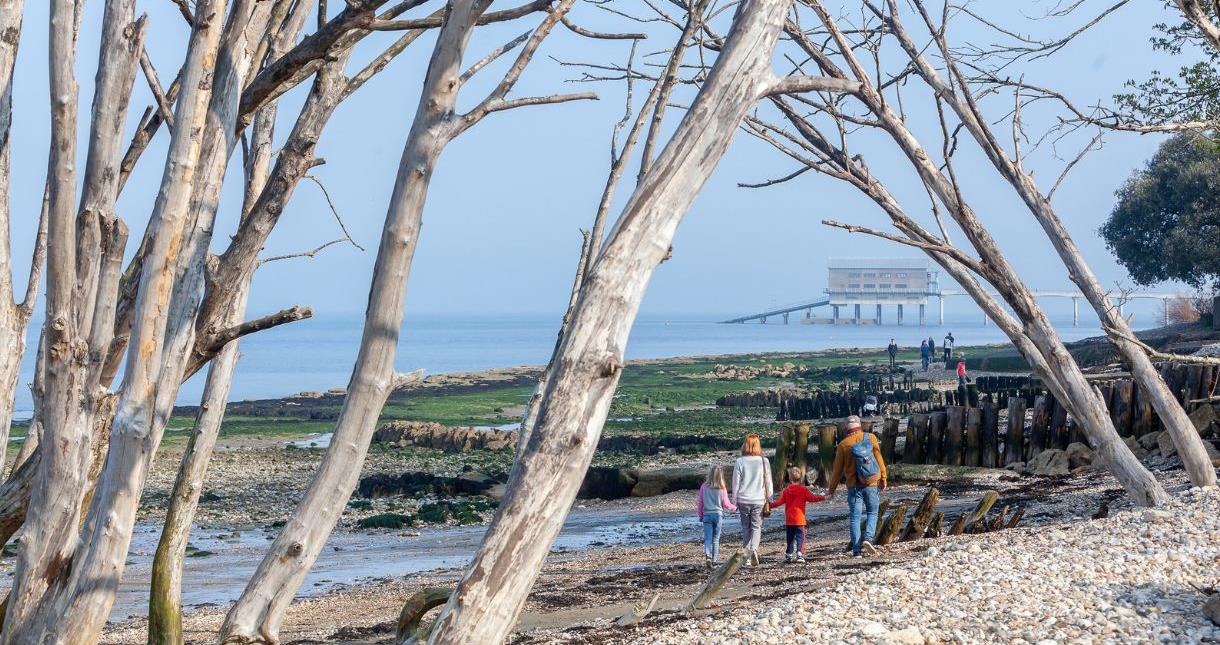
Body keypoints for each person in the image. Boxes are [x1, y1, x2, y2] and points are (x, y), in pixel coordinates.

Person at [827, 415, 887, 558]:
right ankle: (868, 538)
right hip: (870, 483)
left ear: (847, 428)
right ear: (860, 425)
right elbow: (879, 459)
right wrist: (883, 477)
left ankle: (856, 551)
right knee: (873, 512)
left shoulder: (843, 444)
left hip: (853, 486)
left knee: (855, 517)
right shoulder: (870, 438)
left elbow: (837, 470)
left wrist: (832, 489)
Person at [732, 434, 773, 566]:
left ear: (745, 444)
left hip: (743, 499)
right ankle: (754, 550)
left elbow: (735, 484)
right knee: (756, 527)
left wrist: (734, 501)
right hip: (759, 499)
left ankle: (747, 557)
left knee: (745, 527)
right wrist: (770, 498)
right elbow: (768, 482)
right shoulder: (764, 461)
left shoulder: (740, 461)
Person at [769, 467, 826, 563]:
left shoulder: (786, 490)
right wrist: (824, 497)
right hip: (800, 519)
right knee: (800, 537)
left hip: (789, 520)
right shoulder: (803, 490)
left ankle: (789, 554)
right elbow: (813, 498)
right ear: (801, 478)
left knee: (790, 538)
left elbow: (779, 502)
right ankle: (799, 553)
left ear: (790, 478)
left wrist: (769, 505)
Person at [697, 466, 736, 570]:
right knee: (716, 539)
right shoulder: (722, 488)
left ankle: (707, 555)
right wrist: (734, 508)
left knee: (708, 538)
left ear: (709, 474)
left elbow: (700, 502)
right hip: (718, 515)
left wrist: (700, 515)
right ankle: (714, 561)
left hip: (707, 515)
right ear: (720, 476)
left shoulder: (704, 486)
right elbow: (726, 503)